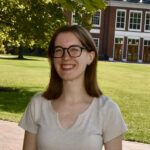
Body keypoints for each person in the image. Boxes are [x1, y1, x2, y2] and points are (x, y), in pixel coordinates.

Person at [19, 25, 128, 150]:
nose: (65, 57)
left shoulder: (107, 110)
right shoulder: (38, 104)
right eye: (59, 50)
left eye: (74, 49)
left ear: (90, 57)